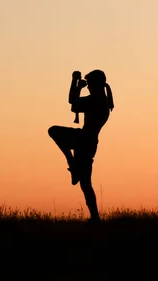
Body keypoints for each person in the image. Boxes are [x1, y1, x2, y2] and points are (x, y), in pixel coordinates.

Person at [48, 70, 114, 221]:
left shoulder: (97, 100)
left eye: (90, 84)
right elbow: (75, 104)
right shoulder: (102, 100)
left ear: (96, 84)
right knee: (85, 183)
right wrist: (78, 87)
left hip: (84, 138)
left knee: (53, 131)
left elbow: (73, 104)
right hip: (90, 143)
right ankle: (95, 217)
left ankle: (70, 160)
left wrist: (75, 83)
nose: (89, 87)